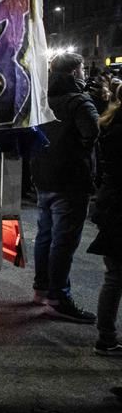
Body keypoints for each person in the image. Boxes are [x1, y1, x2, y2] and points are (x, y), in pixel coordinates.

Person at [30, 52, 100, 322]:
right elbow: (93, 133)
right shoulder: (79, 102)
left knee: (45, 235)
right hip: (71, 179)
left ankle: (42, 289)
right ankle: (59, 296)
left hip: (44, 176)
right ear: (74, 72)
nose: (84, 73)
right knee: (64, 239)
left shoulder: (42, 99)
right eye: (82, 69)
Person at [89, 83, 122, 354]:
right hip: (117, 204)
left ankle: (106, 336)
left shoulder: (109, 124)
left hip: (110, 203)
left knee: (113, 277)